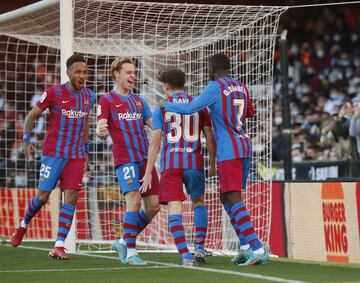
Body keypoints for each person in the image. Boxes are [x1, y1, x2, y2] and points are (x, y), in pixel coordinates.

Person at [164, 53, 269, 265]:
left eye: (207, 67)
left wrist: (166, 106)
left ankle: (258, 248)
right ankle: (246, 246)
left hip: (228, 149)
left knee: (232, 197)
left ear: (212, 69)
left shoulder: (214, 87)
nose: (205, 71)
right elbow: (250, 112)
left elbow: (188, 108)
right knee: (226, 197)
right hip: (245, 146)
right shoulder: (241, 85)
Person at [10, 54, 96, 260]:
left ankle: (59, 245)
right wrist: (26, 139)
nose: (82, 76)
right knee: (42, 197)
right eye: (78, 72)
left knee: (72, 196)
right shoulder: (54, 92)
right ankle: (23, 225)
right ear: (68, 73)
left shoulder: (89, 96)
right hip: (54, 153)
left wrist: (85, 151)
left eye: (85, 72)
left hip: (75, 155)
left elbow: (84, 124)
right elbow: (32, 116)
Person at [140, 69, 216, 266]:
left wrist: (148, 172)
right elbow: (209, 136)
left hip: (171, 164)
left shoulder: (162, 107)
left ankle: (185, 255)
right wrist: (213, 163)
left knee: (175, 207)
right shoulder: (199, 105)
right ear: (185, 83)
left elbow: (155, 141)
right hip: (194, 163)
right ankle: (199, 247)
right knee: (198, 202)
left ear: (166, 87)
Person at [96, 57, 160, 266]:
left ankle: (123, 240)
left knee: (153, 206)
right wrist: (101, 130)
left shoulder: (139, 101)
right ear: (116, 74)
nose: (133, 76)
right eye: (128, 72)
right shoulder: (107, 100)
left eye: (134, 72)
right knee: (133, 199)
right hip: (126, 160)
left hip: (145, 160)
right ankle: (131, 252)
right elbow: (101, 126)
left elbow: (152, 124)